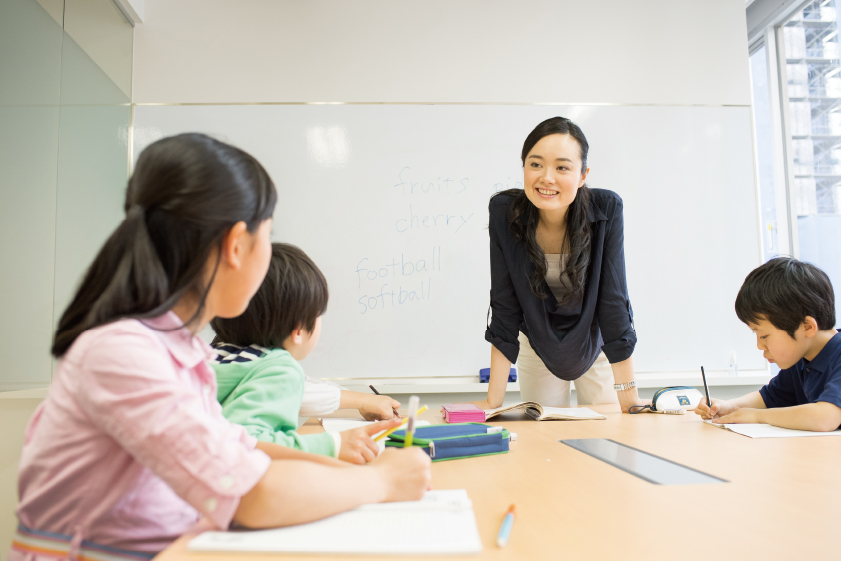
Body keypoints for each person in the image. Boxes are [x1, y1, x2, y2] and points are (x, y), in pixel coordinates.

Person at [11, 134, 431, 561]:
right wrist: (380, 484)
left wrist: (354, 463)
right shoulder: (123, 353)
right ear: (235, 245)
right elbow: (250, 494)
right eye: (267, 236)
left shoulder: (181, 349)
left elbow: (239, 449)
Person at [475, 117, 646, 413]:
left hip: (597, 344)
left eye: (562, 167)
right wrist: (493, 402)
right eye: (536, 164)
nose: (547, 178)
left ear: (583, 175)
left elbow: (613, 304)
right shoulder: (505, 213)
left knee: (609, 434)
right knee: (544, 439)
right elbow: (505, 306)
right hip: (536, 342)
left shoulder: (606, 210)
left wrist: (630, 399)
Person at [210, 243, 402, 464]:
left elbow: (300, 388)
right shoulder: (279, 370)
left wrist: (362, 402)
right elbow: (246, 445)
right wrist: (334, 445)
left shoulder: (219, 355)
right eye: (319, 314)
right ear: (299, 330)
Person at [695, 257, 840, 431]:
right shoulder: (802, 357)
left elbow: (825, 418)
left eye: (764, 336)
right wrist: (728, 407)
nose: (759, 346)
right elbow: (768, 398)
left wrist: (757, 416)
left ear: (807, 327)